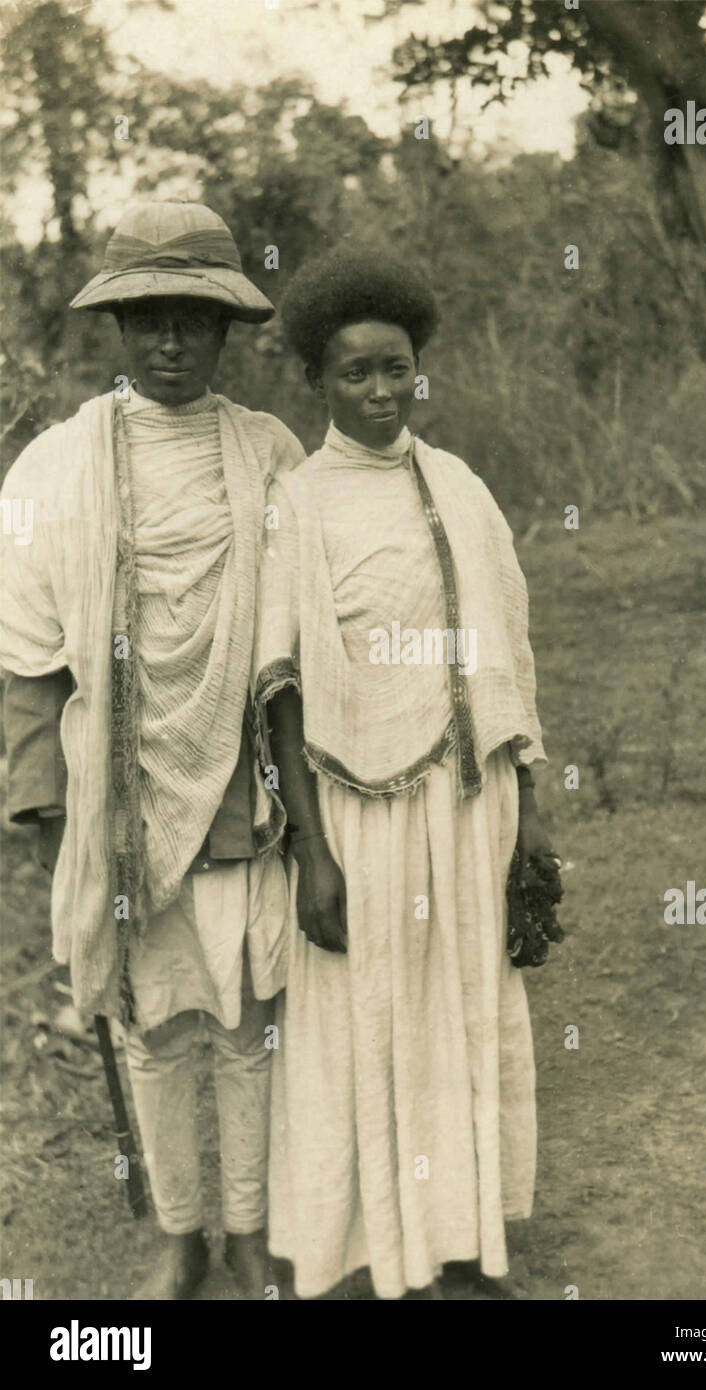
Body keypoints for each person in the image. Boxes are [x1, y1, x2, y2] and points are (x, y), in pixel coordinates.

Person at [0, 201, 304, 1299]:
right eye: (147, 320)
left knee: (247, 1015)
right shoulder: (54, 468)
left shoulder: (269, 454)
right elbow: (31, 661)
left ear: (227, 331)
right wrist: (42, 809)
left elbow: (297, 640)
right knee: (153, 1024)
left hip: (239, 789)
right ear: (116, 329)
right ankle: (180, 1235)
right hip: (115, 797)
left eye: (193, 320)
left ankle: (253, 1230)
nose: (170, 343)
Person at [253, 247, 560, 1299]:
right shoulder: (300, 502)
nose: (381, 393)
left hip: (470, 800)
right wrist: (312, 852)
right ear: (316, 382)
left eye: (396, 369)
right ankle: (380, 1248)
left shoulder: (462, 486)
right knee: (372, 1020)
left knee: (466, 1015)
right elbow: (282, 688)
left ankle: (465, 1243)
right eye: (356, 374)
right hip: (359, 810)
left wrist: (532, 816)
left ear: (419, 369)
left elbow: (510, 653)